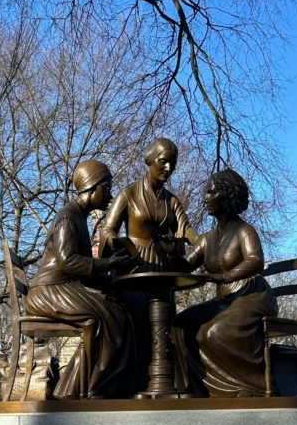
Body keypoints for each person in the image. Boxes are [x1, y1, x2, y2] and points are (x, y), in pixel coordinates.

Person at [23, 160, 136, 399]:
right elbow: (67, 262)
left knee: (118, 312)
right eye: (107, 188)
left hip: (63, 288)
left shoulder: (79, 218)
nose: (110, 195)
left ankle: (76, 389)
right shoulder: (68, 217)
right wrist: (108, 264)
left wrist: (114, 283)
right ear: (91, 186)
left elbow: (83, 272)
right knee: (108, 317)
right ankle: (92, 388)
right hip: (49, 291)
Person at [98, 138, 199, 393]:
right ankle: (129, 387)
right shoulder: (129, 193)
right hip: (135, 265)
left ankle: (162, 383)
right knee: (137, 324)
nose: (168, 168)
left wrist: (201, 242)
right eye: (163, 161)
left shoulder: (171, 201)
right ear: (150, 161)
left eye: (172, 163)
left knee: (164, 324)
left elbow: (186, 229)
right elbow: (107, 228)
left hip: (162, 266)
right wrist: (116, 242)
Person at [172, 169, 277, 397]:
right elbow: (185, 265)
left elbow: (256, 261)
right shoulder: (207, 238)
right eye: (206, 192)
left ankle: (251, 387)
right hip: (225, 300)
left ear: (228, 195)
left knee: (214, 333)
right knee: (180, 324)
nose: (205, 198)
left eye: (211, 192)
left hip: (251, 296)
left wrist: (224, 277)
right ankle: (196, 390)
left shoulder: (244, 230)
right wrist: (169, 249)